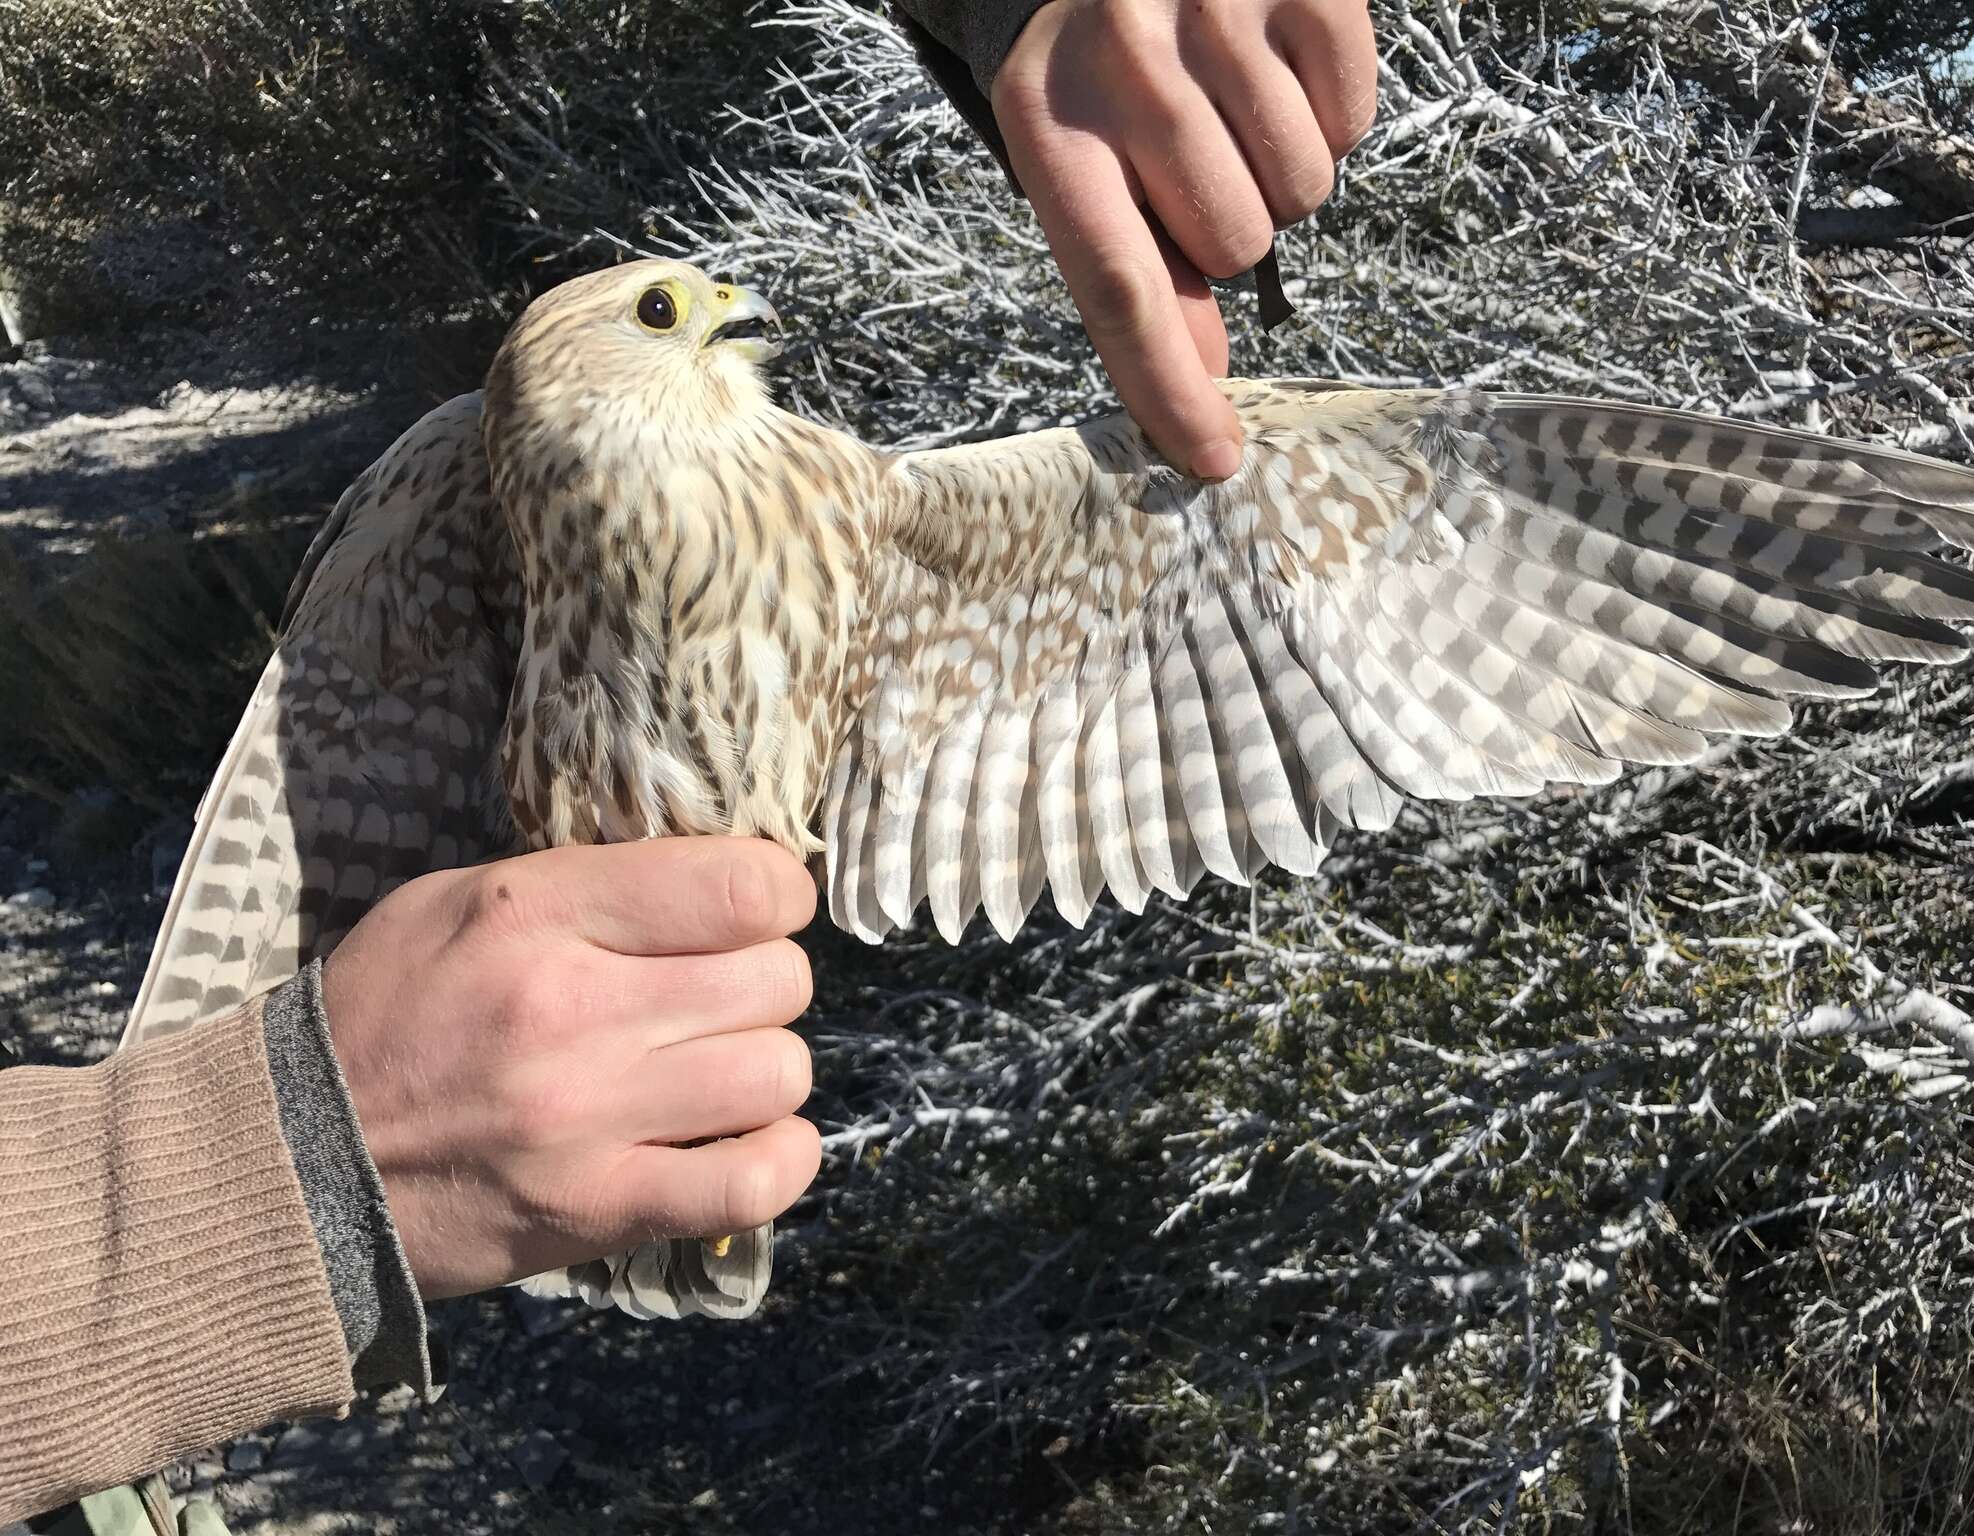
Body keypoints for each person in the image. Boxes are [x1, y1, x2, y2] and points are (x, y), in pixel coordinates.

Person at [0, 0, 1377, 1521]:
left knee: (1296, 451)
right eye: (662, 312)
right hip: (517, 1049)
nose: (724, 310)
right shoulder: (458, 502)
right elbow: (305, 789)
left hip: (682, 986)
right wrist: (270, 1157)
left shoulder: (859, 505)